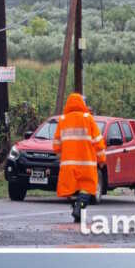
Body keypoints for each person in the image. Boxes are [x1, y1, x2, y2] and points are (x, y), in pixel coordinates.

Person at [53, 93, 106, 223]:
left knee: (72, 189)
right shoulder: (88, 119)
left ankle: (78, 211)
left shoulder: (63, 120)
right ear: (82, 104)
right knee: (87, 189)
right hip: (86, 164)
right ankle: (79, 208)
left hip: (68, 165)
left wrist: (61, 157)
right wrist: (102, 159)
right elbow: (98, 142)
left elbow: (56, 145)